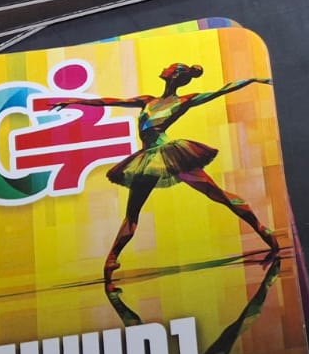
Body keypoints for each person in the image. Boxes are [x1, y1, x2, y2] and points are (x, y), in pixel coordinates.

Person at [51, 64, 278, 287]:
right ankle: (112, 259)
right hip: (148, 159)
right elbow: (108, 101)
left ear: (176, 76)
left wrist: (252, 80)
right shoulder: (147, 100)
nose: (165, 68)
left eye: (170, 67)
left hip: (171, 155)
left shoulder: (184, 101)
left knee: (217, 194)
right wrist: (74, 101)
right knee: (132, 213)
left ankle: (261, 229)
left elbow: (221, 91)